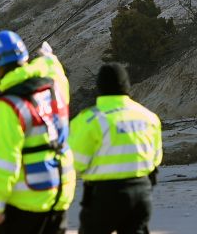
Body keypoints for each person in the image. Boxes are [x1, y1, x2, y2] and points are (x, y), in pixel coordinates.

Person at [0, 30, 74, 234]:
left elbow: (4, 161)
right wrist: (48, 58)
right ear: (25, 57)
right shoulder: (55, 88)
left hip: (28, 198)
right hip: (61, 191)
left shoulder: (8, 106)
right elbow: (54, 69)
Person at [69, 63, 162, 234]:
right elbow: (155, 158)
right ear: (127, 85)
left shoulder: (89, 120)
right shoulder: (148, 117)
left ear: (99, 87)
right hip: (141, 192)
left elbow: (76, 161)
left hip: (104, 195)